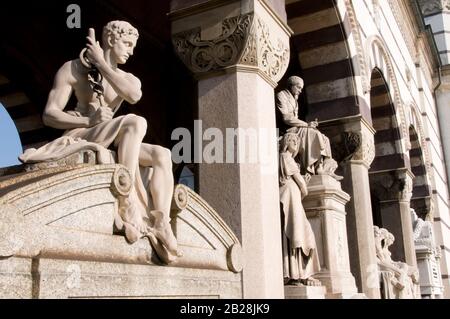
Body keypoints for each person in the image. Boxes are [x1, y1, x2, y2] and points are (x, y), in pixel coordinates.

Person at [33, 21, 178, 261]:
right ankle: (127, 198)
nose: (131, 51)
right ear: (111, 40)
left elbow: (133, 95)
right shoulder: (73, 69)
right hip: (83, 131)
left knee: (162, 155)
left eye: (133, 45)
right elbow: (49, 115)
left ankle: (162, 221)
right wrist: (88, 121)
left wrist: (101, 63)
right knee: (135, 122)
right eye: (127, 44)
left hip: (111, 136)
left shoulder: (128, 78)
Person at [276, 76, 341, 180]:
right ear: (291, 86)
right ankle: (314, 167)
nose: (300, 91)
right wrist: (307, 124)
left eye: (301, 88)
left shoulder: (295, 99)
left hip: (296, 128)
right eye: (298, 87)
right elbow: (287, 118)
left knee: (325, 138)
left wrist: (308, 125)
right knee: (314, 134)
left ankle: (325, 168)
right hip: (287, 130)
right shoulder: (282, 95)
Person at [279, 132, 321, 286]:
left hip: (292, 197)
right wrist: (304, 188)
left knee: (301, 233)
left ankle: (299, 273)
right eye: (292, 140)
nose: (295, 143)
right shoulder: (285, 157)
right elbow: (301, 183)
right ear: (286, 142)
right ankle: (295, 274)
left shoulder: (288, 159)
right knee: (299, 232)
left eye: (296, 140)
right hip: (289, 197)